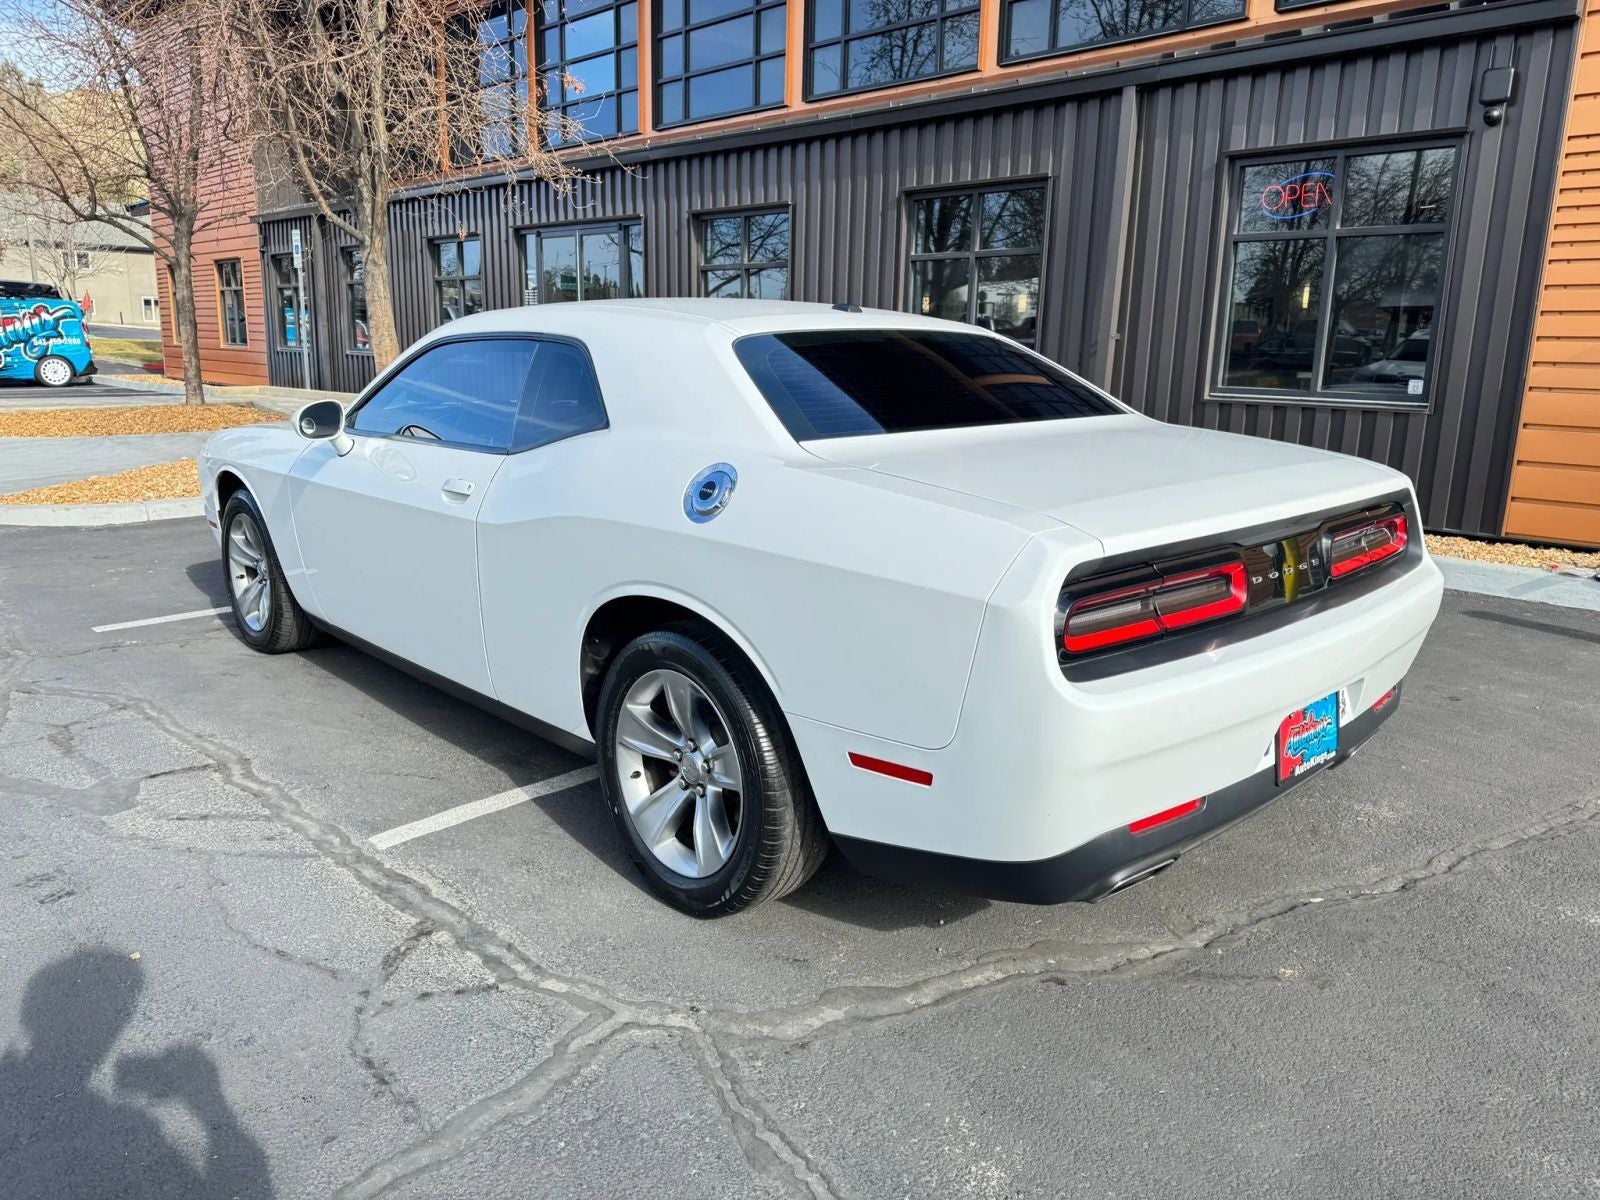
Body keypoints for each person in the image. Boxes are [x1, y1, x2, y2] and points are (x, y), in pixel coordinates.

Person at [0, 948, 272, 1199]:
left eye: (121, 1012)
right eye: (117, 1012)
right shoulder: (116, 1127)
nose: (117, 1025)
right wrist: (211, 1103)